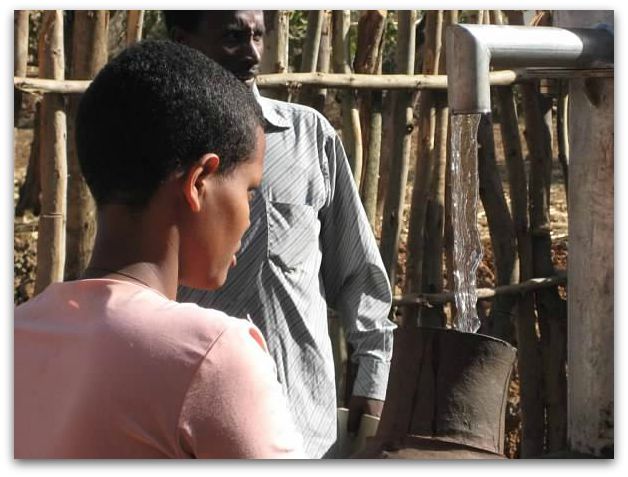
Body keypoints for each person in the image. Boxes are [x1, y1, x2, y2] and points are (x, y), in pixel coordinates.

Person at [14, 40, 303, 459]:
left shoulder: (19, 333)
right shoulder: (213, 355)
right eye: (249, 191)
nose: (248, 217)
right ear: (199, 182)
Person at [165, 10, 396, 458]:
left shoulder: (306, 136)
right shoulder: (157, 152)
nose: (251, 52)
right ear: (182, 40)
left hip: (301, 422)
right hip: (189, 421)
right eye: (233, 37)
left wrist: (374, 373)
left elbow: (357, 272)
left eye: (257, 35)